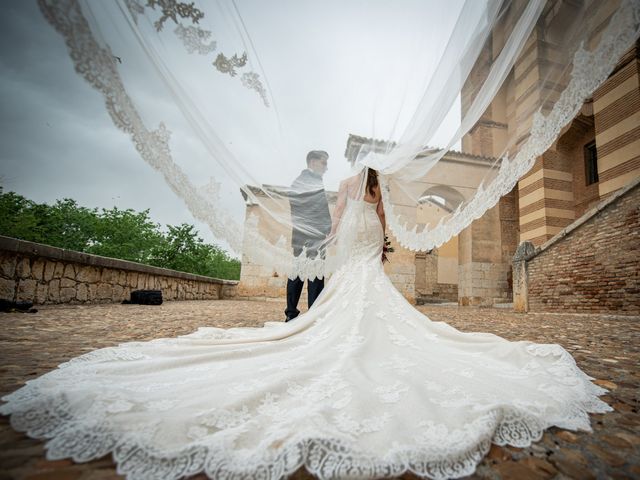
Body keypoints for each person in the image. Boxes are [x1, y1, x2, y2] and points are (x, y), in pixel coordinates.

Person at [0, 166, 612, 480]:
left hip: (353, 269)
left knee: (334, 324)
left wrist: (347, 252)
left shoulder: (350, 200)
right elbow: (386, 239)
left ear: (356, 180)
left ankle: (312, 327)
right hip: (365, 268)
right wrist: (379, 247)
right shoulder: (379, 204)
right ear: (381, 183)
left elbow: (342, 236)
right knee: (374, 325)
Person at [285, 150, 331, 321]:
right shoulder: (303, 181)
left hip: (310, 236)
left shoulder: (311, 180)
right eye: (323, 163)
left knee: (307, 275)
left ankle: (299, 313)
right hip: (309, 237)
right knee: (306, 276)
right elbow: (306, 208)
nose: (326, 167)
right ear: (312, 162)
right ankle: (304, 314)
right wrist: (324, 229)